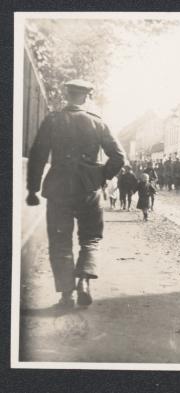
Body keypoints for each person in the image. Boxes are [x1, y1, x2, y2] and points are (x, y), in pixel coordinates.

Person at [26, 79, 125, 308]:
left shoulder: (53, 120)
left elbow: (38, 155)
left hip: (59, 189)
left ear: (67, 94)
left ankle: (66, 295)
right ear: (87, 97)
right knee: (91, 238)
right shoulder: (97, 123)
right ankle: (84, 281)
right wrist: (100, 177)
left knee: (60, 240)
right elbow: (119, 157)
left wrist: (33, 188)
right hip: (88, 190)